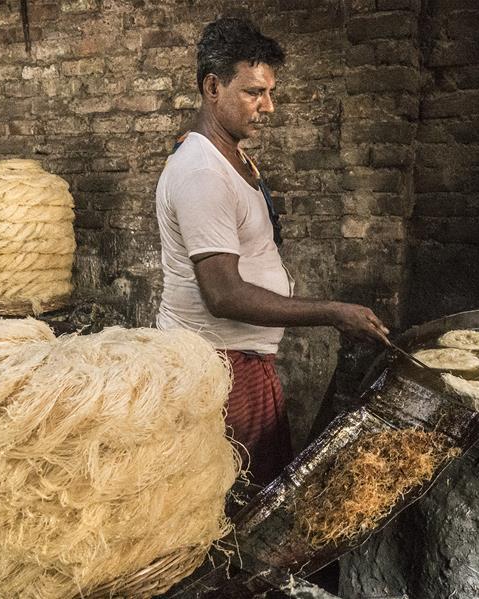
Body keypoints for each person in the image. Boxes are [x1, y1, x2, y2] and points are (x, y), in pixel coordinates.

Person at [155, 17, 389, 485]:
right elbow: (223, 295)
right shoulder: (202, 173)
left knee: (260, 488)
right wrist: (333, 313)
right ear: (212, 86)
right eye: (253, 93)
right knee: (233, 497)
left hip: (243, 358)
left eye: (269, 92)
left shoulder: (233, 157)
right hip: (219, 366)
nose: (268, 106)